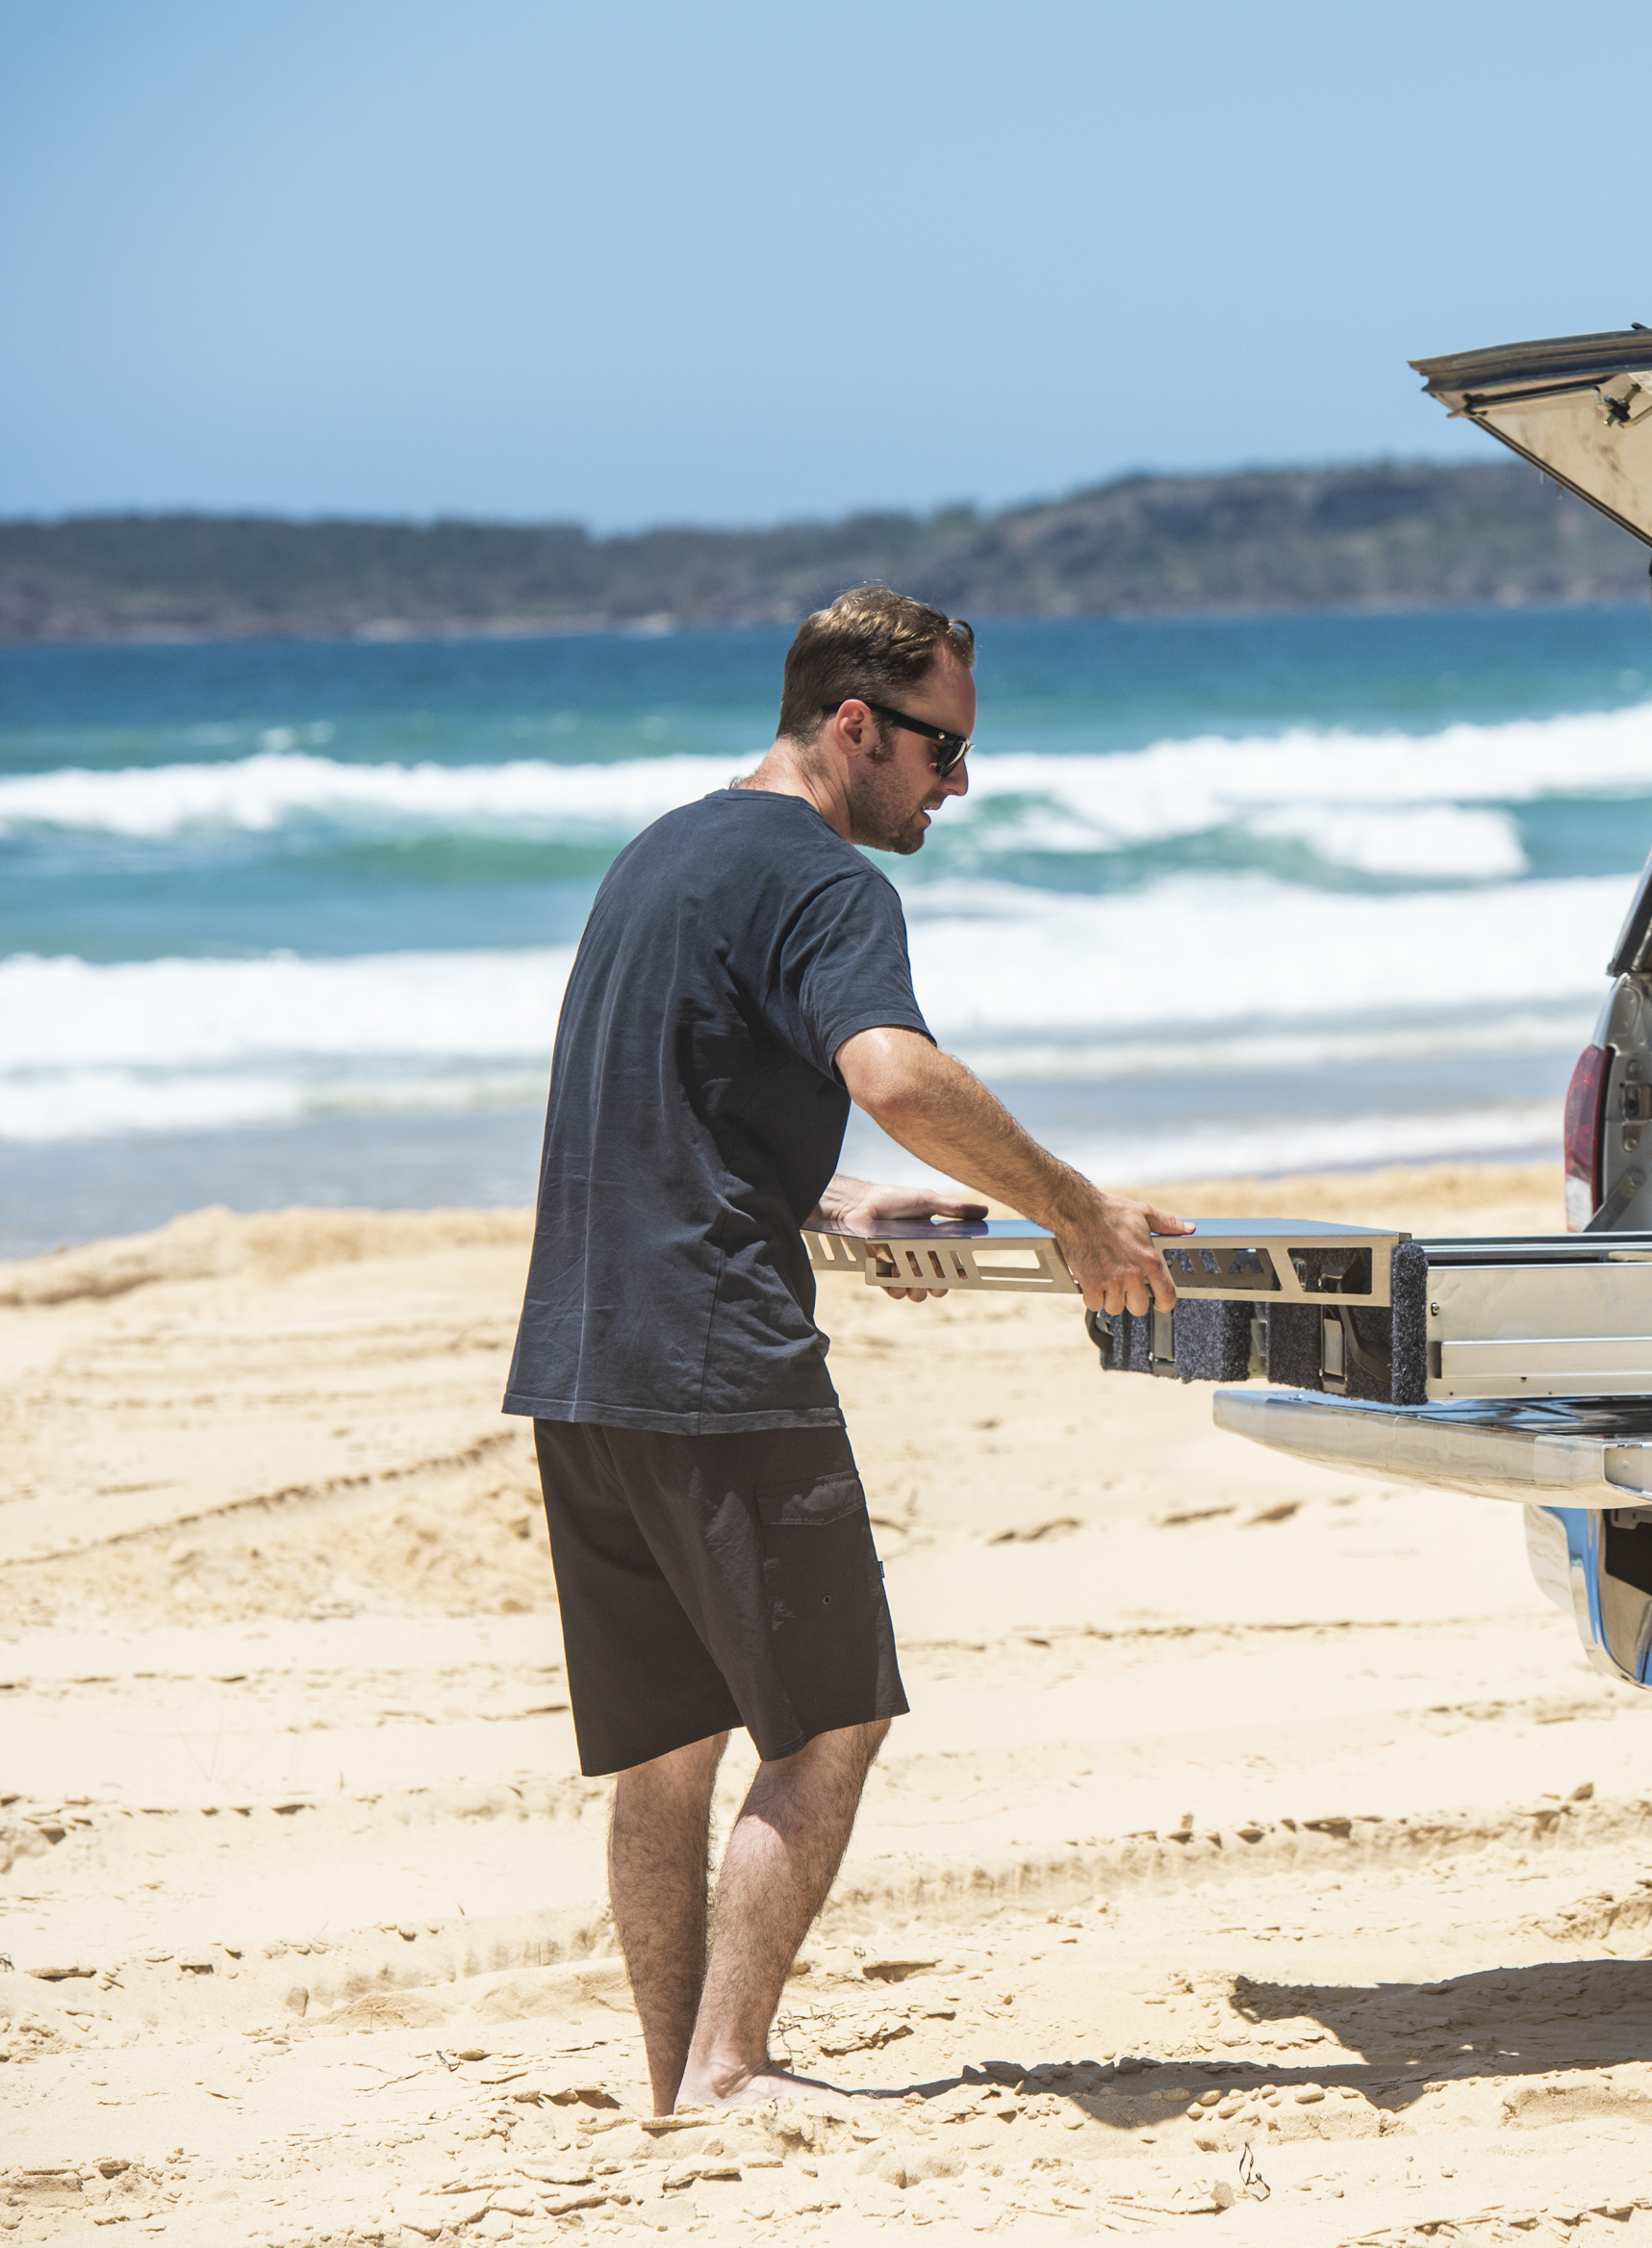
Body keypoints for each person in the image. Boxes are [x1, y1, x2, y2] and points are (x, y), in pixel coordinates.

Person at [502, 584, 1186, 2112]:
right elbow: (895, 1068)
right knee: (831, 1722)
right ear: (856, 724)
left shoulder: (657, 857)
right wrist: (1075, 1213)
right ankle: (736, 2075)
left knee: (667, 1751)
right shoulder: (825, 881)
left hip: (578, 1357)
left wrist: (836, 1202)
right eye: (942, 750)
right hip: (716, 1363)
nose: (960, 784)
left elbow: (661, 1112)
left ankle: (676, 2084)